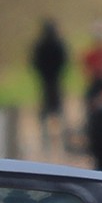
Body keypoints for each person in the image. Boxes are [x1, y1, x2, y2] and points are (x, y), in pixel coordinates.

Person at [29, 18, 69, 152]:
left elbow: (35, 62)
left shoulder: (41, 45)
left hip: (47, 81)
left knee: (48, 112)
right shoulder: (57, 44)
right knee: (58, 112)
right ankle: (60, 141)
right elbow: (64, 60)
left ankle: (47, 140)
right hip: (53, 81)